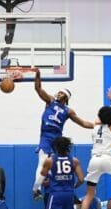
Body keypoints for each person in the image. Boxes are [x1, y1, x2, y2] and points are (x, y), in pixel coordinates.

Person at [33, 68, 93, 197]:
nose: (58, 94)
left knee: (58, 165)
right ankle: (36, 188)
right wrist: (38, 75)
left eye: (61, 93)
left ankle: (63, 189)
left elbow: (83, 123)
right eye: (58, 92)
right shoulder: (49, 101)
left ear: (66, 98)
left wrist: (97, 125)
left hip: (57, 140)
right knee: (42, 162)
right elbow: (38, 89)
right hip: (45, 136)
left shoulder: (68, 111)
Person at [32, 136, 84, 209]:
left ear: (55, 147)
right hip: (69, 194)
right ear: (68, 147)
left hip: (55, 195)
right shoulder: (74, 161)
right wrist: (73, 186)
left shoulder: (50, 161)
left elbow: (40, 179)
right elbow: (81, 179)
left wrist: (35, 189)